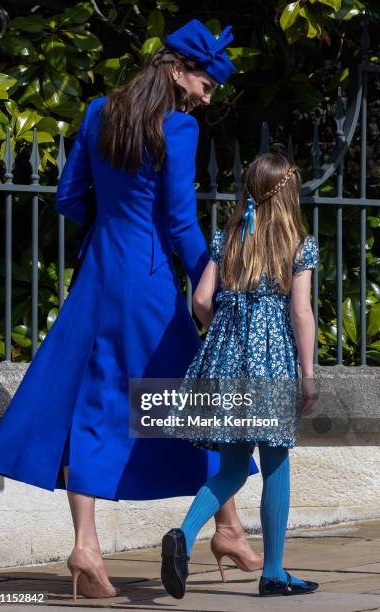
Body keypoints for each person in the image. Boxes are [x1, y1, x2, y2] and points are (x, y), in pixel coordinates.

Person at [0, 19, 261, 601]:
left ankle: (88, 547)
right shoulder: (178, 128)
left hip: (98, 275)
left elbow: (67, 197)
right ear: (179, 71)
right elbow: (181, 220)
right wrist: (211, 276)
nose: (207, 98)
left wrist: (110, 228)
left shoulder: (98, 111)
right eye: (206, 85)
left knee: (96, 399)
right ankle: (227, 526)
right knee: (193, 397)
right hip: (149, 281)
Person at [161, 153, 320, 599]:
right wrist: (308, 374)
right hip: (271, 364)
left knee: (231, 467)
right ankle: (273, 572)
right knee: (275, 465)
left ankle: (183, 535)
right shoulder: (298, 244)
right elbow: (301, 310)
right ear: (288, 194)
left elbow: (201, 299)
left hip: (225, 361)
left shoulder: (227, 237)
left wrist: (227, 333)